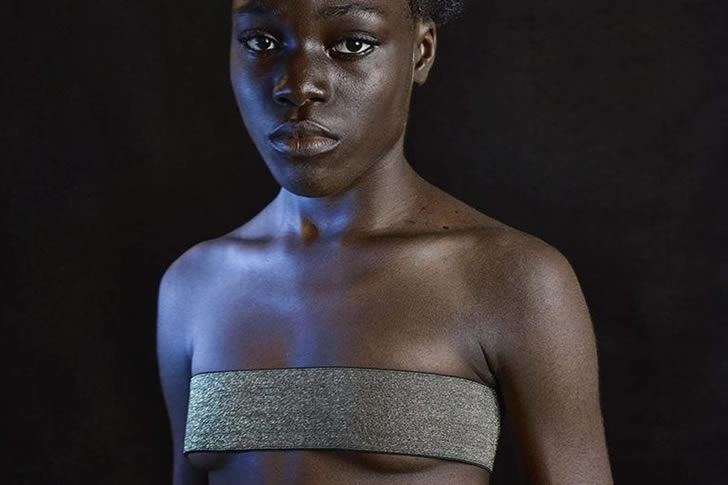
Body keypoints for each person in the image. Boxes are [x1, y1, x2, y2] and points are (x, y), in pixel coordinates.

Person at [157, 0, 615, 483]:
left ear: (421, 51)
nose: (298, 85)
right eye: (261, 42)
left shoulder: (509, 278)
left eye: (353, 44)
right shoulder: (195, 285)